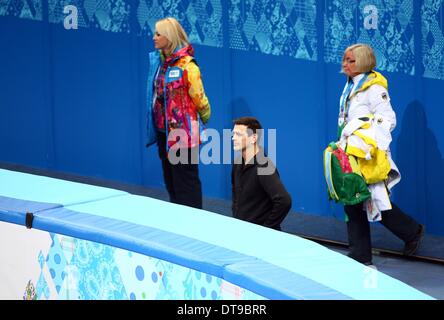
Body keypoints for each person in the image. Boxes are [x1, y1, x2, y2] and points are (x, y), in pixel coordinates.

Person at [336, 43, 424, 265]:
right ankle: (362, 255)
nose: (345, 64)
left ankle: (409, 233)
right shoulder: (351, 85)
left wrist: (367, 141)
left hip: (367, 155)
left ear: (364, 61)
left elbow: (387, 120)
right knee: (356, 200)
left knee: (370, 200)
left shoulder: (374, 88)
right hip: (350, 151)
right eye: (345, 59)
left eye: (351, 60)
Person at [145, 17, 211, 209]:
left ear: (169, 37)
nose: (154, 37)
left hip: (183, 136)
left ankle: (193, 225)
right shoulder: (158, 63)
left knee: (186, 184)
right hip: (163, 132)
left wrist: (204, 117)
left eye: (158, 34)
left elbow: (200, 98)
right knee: (171, 182)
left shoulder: (188, 66)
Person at [231, 117, 292, 231]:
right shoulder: (237, 163)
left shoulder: (264, 166)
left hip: (260, 237)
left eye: (238, 134)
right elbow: (236, 198)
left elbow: (284, 201)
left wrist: (266, 229)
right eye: (233, 134)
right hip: (242, 232)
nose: (233, 138)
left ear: (253, 138)